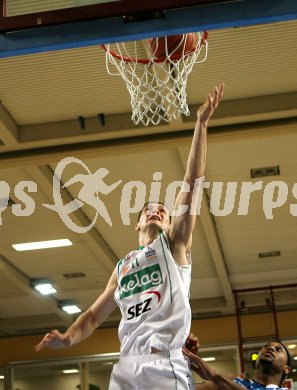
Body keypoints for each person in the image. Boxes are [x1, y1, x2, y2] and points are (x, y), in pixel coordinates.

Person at [35, 83, 225, 390]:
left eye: (163, 210)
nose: (156, 211)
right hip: (126, 367)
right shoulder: (122, 266)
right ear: (137, 225)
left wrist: (201, 125)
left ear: (170, 221)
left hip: (165, 363)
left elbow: (192, 181)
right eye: (148, 209)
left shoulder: (174, 246)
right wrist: (69, 337)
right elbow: (93, 317)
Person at [183, 339, 291, 390]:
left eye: (278, 350)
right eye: (266, 347)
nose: (270, 348)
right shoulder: (235, 381)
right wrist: (182, 358)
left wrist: (215, 376)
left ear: (286, 369)